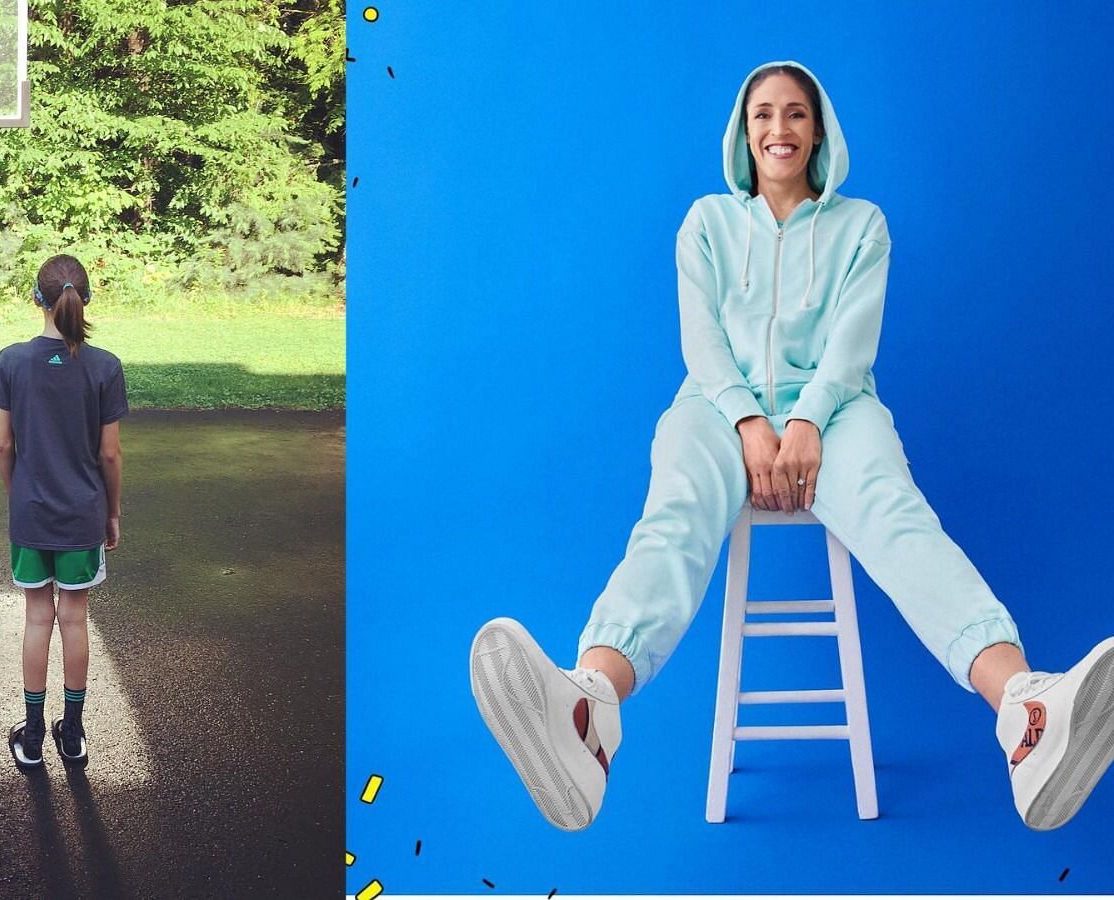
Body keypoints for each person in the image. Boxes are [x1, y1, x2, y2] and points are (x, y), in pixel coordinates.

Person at [469, 61, 1114, 833]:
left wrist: (805, 421)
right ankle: (589, 710)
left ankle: (1025, 712)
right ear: (744, 133)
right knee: (673, 511)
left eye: (796, 114)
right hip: (715, 409)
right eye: (763, 115)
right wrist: (748, 422)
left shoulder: (862, 226)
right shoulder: (705, 222)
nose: (780, 129)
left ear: (820, 129)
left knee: (895, 512)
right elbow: (701, 342)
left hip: (837, 411)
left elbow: (852, 345)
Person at [0, 254, 126, 769]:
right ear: (85, 299)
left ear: (36, 299)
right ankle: (71, 733)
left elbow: (4, 447)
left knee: (36, 619)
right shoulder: (104, 366)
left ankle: (31, 735)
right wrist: (111, 513)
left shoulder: (11, 360)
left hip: (32, 513)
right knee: (74, 620)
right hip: (81, 516)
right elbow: (109, 454)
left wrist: (18, 493)